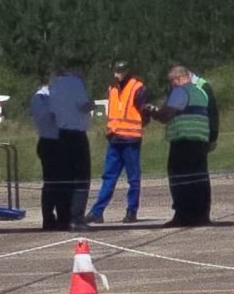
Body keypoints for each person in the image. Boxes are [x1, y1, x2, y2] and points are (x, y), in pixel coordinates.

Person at [152, 64, 218, 226]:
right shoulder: (201, 92)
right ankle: (202, 215)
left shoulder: (180, 91)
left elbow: (166, 115)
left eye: (171, 82)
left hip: (183, 140)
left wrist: (152, 112)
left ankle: (183, 215)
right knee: (200, 178)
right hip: (200, 140)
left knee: (180, 178)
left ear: (177, 79)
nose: (171, 85)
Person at [89, 61, 148, 223]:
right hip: (114, 138)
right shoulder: (112, 88)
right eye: (115, 71)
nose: (116, 75)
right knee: (109, 177)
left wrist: (137, 126)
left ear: (127, 71)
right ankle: (97, 212)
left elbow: (144, 113)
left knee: (133, 178)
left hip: (130, 139)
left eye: (119, 72)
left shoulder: (138, 87)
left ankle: (131, 211)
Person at [50, 61, 93, 228]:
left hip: (59, 134)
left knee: (63, 178)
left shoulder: (55, 84)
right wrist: (92, 104)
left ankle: (63, 217)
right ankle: (76, 218)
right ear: (76, 69)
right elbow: (83, 105)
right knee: (81, 178)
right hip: (76, 134)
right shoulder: (76, 83)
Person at [29, 74, 67, 230]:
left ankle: (63, 217)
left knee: (62, 182)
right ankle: (49, 218)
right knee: (51, 182)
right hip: (49, 143)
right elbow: (46, 119)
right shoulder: (40, 98)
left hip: (60, 142)